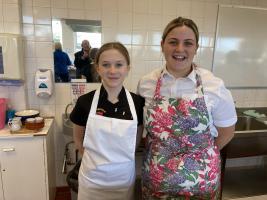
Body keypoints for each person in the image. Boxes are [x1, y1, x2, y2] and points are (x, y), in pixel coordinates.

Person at [137, 17, 237, 199]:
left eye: (188, 43)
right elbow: (144, 129)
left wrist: (199, 155)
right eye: (173, 42)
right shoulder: (146, 83)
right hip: (157, 185)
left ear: (196, 48)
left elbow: (227, 132)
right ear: (162, 45)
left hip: (201, 186)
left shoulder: (213, 85)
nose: (180, 49)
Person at [70, 42, 145, 200]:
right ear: (97, 68)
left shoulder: (138, 103)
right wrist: (93, 163)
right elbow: (78, 139)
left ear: (127, 68)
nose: (112, 71)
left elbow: (135, 142)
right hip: (92, 181)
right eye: (106, 65)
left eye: (119, 65)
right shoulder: (84, 102)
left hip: (123, 181)